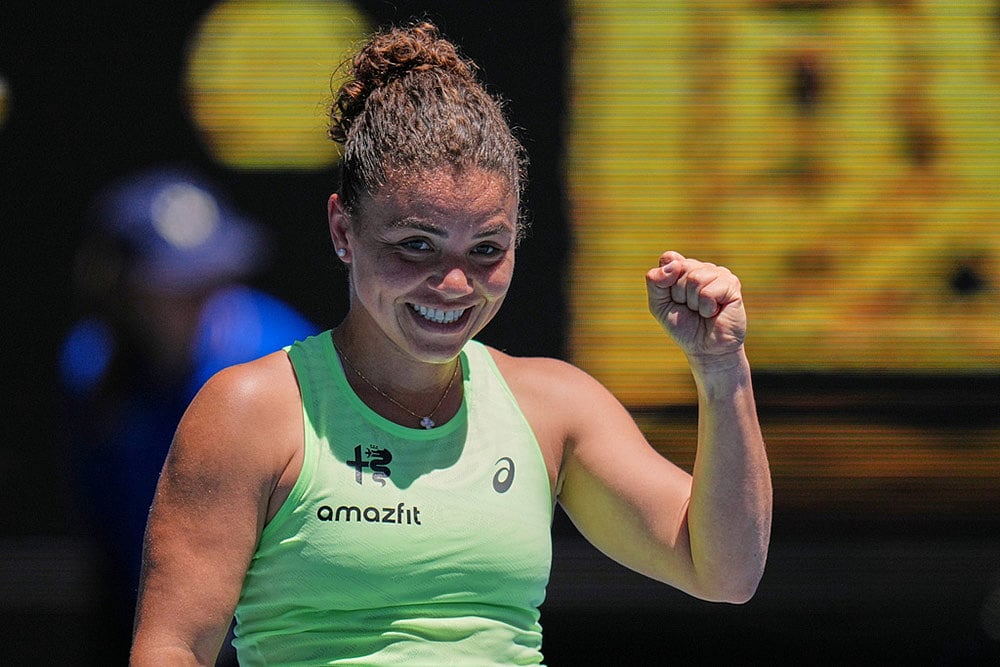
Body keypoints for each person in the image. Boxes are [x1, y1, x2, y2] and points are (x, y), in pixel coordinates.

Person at [129, 21, 771, 665]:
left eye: (487, 249)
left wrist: (722, 370)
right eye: (417, 245)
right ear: (343, 230)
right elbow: (171, 649)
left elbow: (724, 571)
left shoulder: (555, 406)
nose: (455, 283)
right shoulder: (249, 411)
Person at [59, 165, 318, 661]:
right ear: (121, 290)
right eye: (178, 288)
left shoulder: (280, 360)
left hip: (268, 635)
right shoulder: (90, 366)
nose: (204, 303)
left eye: (213, 281)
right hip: (139, 620)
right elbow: (105, 531)